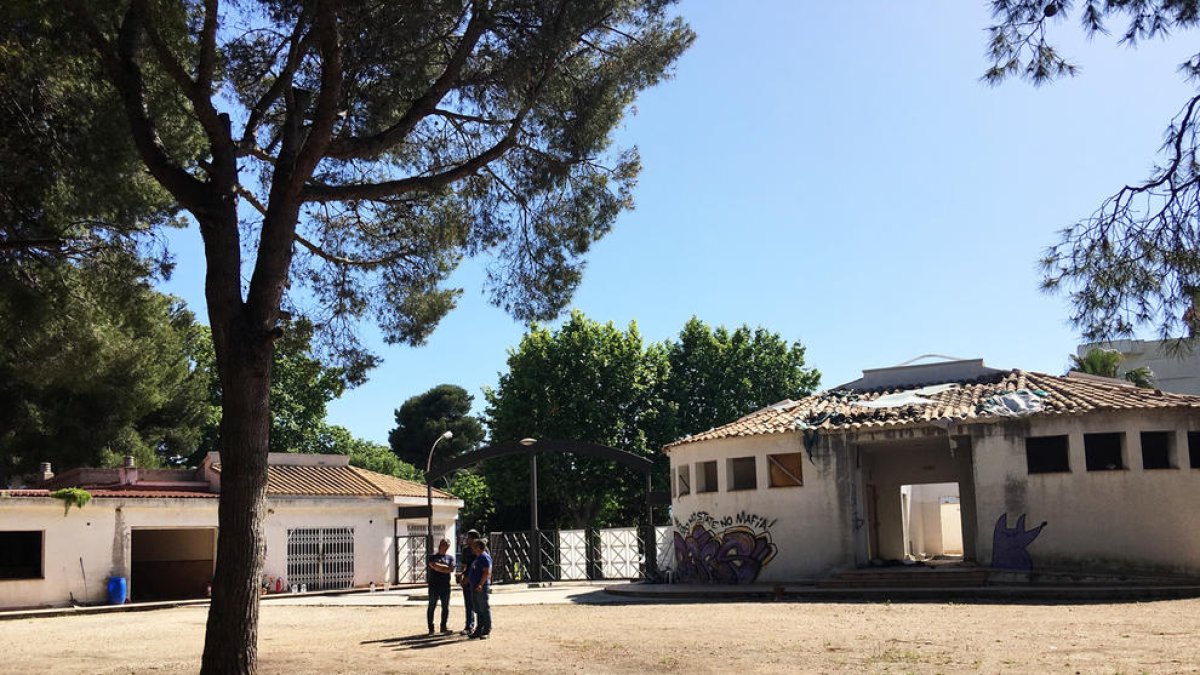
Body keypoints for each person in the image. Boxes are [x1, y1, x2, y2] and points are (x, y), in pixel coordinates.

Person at [426, 538, 455, 635]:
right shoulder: (432, 557)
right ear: (440, 545)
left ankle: (443, 627)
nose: (445, 547)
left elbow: (451, 569)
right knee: (432, 606)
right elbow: (433, 565)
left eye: (447, 545)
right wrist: (444, 568)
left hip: (445, 586)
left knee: (445, 607)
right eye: (444, 544)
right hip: (434, 585)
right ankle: (431, 628)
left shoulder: (450, 558)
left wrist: (439, 568)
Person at [467, 538, 492, 640]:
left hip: (480, 586)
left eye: (474, 546)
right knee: (477, 608)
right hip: (474, 586)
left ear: (479, 547)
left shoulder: (484, 557)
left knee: (484, 608)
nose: (472, 548)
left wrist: (481, 584)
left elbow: (486, 572)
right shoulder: (477, 558)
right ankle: (479, 628)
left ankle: (487, 629)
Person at [457, 529, 479, 635]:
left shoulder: (481, 549)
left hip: (476, 579)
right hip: (467, 579)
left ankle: (481, 625)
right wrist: (461, 575)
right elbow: (464, 564)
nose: (466, 539)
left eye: (468, 537)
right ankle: (469, 626)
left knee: (478, 604)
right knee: (468, 603)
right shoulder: (466, 550)